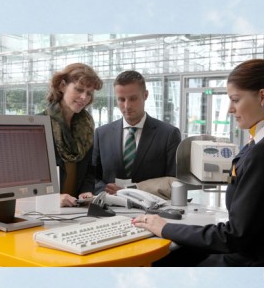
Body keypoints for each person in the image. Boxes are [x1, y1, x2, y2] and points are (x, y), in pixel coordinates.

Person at [133, 59, 264, 266]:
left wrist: (164, 227)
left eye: (235, 99)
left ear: (263, 97)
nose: (230, 109)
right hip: (257, 251)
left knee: (161, 262)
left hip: (253, 260)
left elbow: (234, 236)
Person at [93, 70, 181, 194]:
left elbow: (173, 182)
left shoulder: (169, 134)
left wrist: (130, 191)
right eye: (121, 99)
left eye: (133, 99)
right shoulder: (101, 134)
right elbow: (92, 177)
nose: (127, 106)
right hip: (111, 208)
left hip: (152, 209)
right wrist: (106, 190)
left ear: (145, 95)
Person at [42, 63, 102, 207]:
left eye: (89, 93)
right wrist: (52, 199)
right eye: (79, 89)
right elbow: (27, 180)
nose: (84, 97)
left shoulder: (86, 127)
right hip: (45, 211)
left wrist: (86, 191)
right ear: (62, 86)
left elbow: (89, 170)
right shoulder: (39, 126)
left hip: (75, 209)